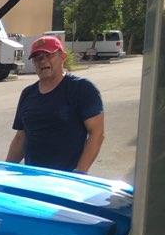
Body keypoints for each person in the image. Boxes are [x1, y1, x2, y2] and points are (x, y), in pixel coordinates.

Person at [6, 35, 105, 173]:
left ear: (63, 57)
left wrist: (80, 173)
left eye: (48, 55)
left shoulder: (82, 89)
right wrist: (7, 169)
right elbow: (21, 137)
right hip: (31, 178)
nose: (42, 61)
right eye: (37, 57)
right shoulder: (28, 94)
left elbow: (97, 133)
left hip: (65, 179)